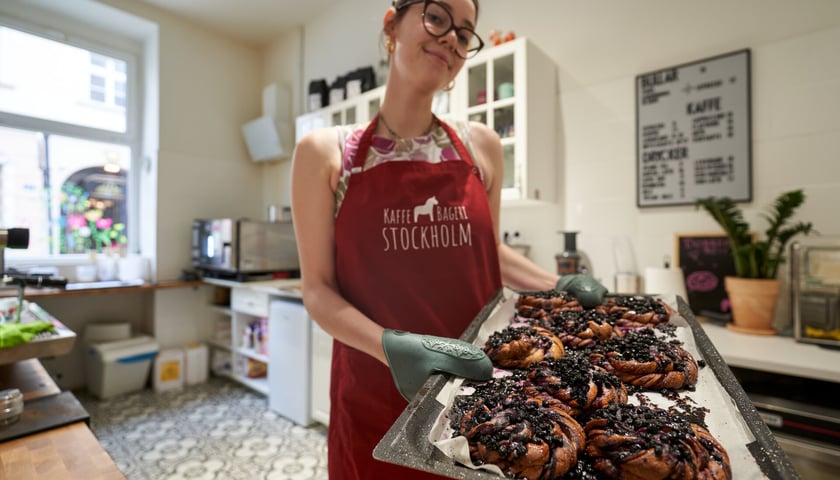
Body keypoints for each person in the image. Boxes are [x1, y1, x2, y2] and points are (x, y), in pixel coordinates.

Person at [290, 0, 606, 478]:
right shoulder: (327, 153)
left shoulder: (480, 146)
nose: (450, 39)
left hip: (483, 397)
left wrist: (558, 285)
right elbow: (315, 289)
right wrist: (389, 345)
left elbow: (490, 254)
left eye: (464, 32)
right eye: (436, 16)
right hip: (377, 391)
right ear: (391, 24)